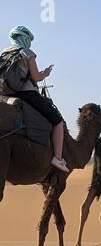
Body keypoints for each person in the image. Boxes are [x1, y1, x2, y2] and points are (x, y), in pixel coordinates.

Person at [2, 26, 69, 172]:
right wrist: (45, 73)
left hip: (5, 95)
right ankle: (58, 158)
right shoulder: (27, 52)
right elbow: (35, 77)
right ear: (25, 38)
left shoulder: (4, 53)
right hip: (26, 94)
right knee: (57, 121)